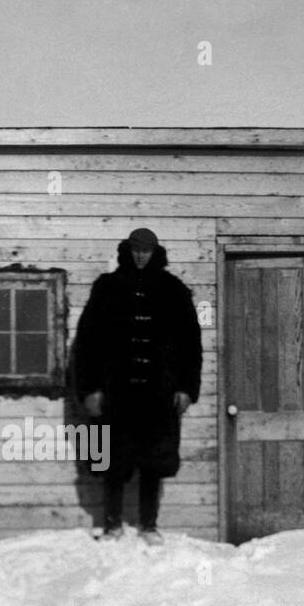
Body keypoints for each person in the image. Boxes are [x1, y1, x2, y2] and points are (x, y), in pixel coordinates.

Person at [71, 227, 202, 543]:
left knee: (153, 462)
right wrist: (89, 389)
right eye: (136, 250)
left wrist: (186, 388)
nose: (140, 256)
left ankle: (148, 525)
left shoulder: (174, 291)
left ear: (155, 252)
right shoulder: (107, 288)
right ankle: (112, 524)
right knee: (110, 460)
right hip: (115, 394)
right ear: (127, 251)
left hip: (159, 395)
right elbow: (86, 343)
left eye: (146, 251)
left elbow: (190, 345)